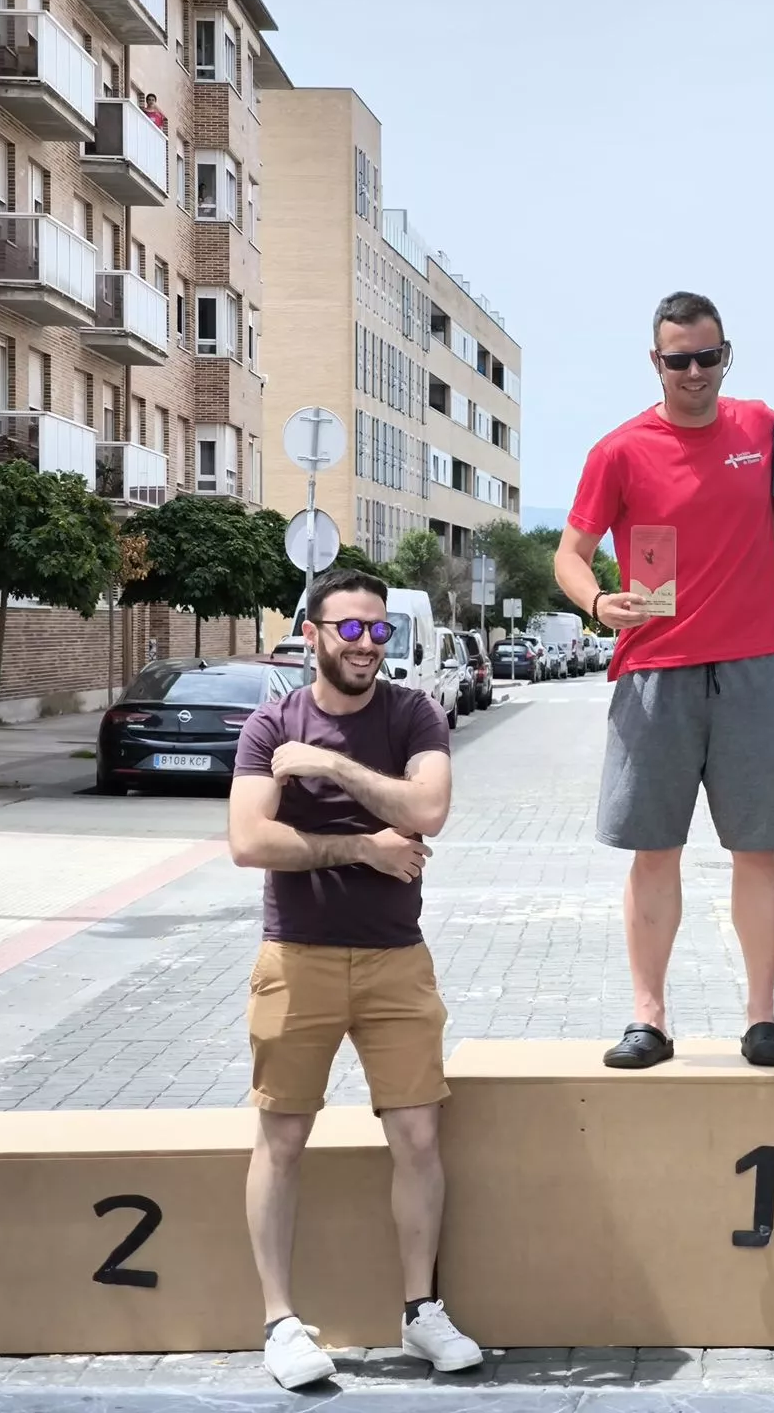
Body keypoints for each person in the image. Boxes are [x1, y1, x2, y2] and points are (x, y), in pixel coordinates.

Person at [228, 568, 481, 1388]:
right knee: (284, 1137)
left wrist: (333, 772)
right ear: (313, 635)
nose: (369, 645)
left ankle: (420, 1313)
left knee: (417, 1136)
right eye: (351, 630)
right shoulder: (272, 725)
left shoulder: (414, 714)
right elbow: (249, 843)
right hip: (294, 955)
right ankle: (279, 1323)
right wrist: (360, 847)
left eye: (380, 631)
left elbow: (428, 812)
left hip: (395, 959)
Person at [556, 291, 774, 1071]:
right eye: (679, 359)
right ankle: (649, 1020)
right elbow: (568, 553)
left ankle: (762, 1019)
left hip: (755, 666)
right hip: (653, 670)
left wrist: (735, 543)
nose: (694, 371)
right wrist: (600, 601)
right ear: (655, 361)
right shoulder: (620, 450)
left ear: (725, 353)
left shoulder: (762, 427)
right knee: (653, 851)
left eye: (708, 356)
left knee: (758, 850)